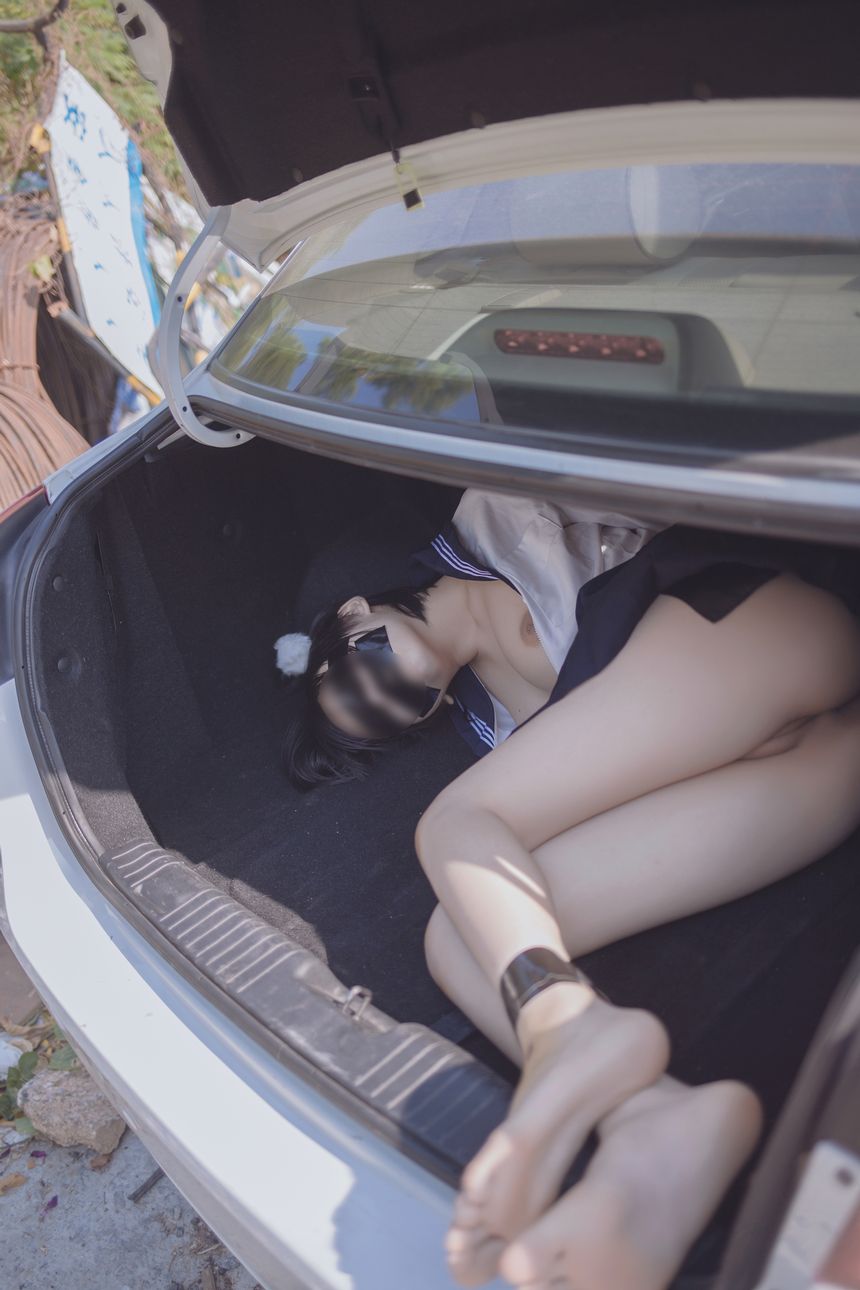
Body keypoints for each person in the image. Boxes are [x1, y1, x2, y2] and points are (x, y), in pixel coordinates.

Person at [279, 488, 860, 1290]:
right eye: (378, 716)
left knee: (456, 823)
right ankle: (652, 1124)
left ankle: (562, 1026)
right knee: (460, 935)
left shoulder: (492, 510)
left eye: (358, 675)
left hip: (761, 622)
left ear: (352, 614)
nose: (380, 698)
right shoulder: (492, 723)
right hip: (817, 764)